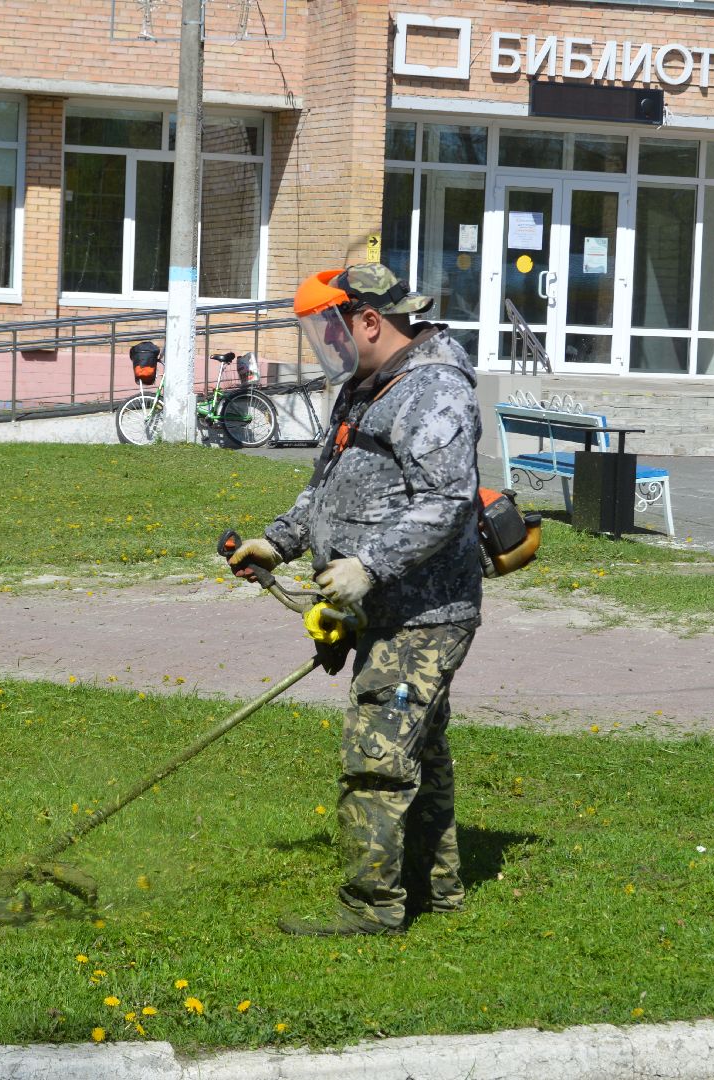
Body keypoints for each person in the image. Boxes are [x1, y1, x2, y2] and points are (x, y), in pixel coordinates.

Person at [229, 264, 483, 936]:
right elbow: (327, 484)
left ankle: (371, 908)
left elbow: (448, 501)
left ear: (369, 321)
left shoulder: (434, 389)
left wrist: (369, 566)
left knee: (376, 758)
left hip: (426, 612)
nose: (325, 345)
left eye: (329, 330)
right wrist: (278, 542)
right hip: (385, 608)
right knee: (419, 750)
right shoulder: (368, 387)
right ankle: (438, 889)